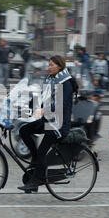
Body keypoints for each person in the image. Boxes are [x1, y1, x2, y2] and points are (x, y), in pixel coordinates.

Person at [17, 55, 76, 191]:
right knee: (24, 130)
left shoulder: (66, 83)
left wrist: (45, 110)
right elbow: (42, 98)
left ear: (60, 67)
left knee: (43, 151)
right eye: (48, 65)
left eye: (51, 65)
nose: (49, 68)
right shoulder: (51, 80)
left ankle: (35, 182)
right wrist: (25, 107)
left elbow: (61, 105)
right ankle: (35, 160)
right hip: (48, 120)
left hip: (58, 124)